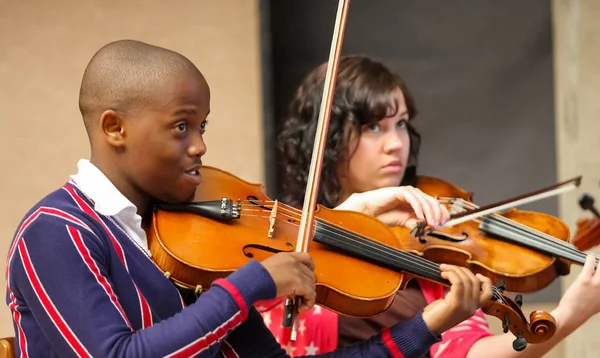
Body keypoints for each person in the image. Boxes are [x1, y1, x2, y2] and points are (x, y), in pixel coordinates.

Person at [5, 40, 495, 358]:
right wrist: (250, 285)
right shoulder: (56, 230)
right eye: (181, 126)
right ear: (115, 128)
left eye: (202, 127)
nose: (199, 145)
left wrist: (429, 324)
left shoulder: (180, 244)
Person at [271, 55, 600, 358]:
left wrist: (568, 314)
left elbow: (468, 351)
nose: (397, 144)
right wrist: (350, 216)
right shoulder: (283, 235)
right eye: (374, 127)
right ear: (326, 137)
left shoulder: (426, 238)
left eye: (401, 123)